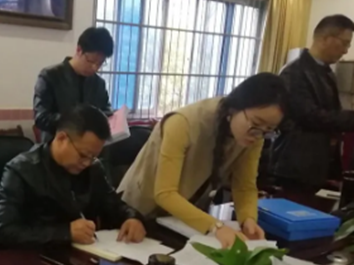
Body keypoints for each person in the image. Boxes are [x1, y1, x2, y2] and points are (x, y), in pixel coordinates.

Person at [119, 74, 288, 249]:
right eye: (256, 123)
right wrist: (217, 227)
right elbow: (165, 193)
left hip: (181, 220)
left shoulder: (255, 135)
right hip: (140, 211)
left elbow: (244, 186)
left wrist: (248, 220)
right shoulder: (183, 122)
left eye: (269, 130)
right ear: (235, 108)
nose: (258, 135)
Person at [0, 105, 147, 248]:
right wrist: (66, 233)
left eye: (93, 157)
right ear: (62, 138)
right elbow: (4, 230)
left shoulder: (93, 168)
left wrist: (132, 218)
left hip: (85, 255)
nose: (87, 163)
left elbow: (113, 205)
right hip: (36, 258)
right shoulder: (21, 170)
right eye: (83, 155)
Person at [271, 15, 354, 192]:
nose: (346, 51)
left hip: (318, 163)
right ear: (325, 39)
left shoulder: (326, 72)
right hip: (295, 165)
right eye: (345, 43)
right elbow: (310, 116)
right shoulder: (294, 73)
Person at [34, 26, 114, 142]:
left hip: (89, 148)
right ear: (79, 50)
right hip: (57, 146)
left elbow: (106, 110)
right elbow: (41, 118)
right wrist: (77, 121)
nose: (95, 68)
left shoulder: (98, 83)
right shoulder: (49, 76)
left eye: (100, 63)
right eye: (91, 61)